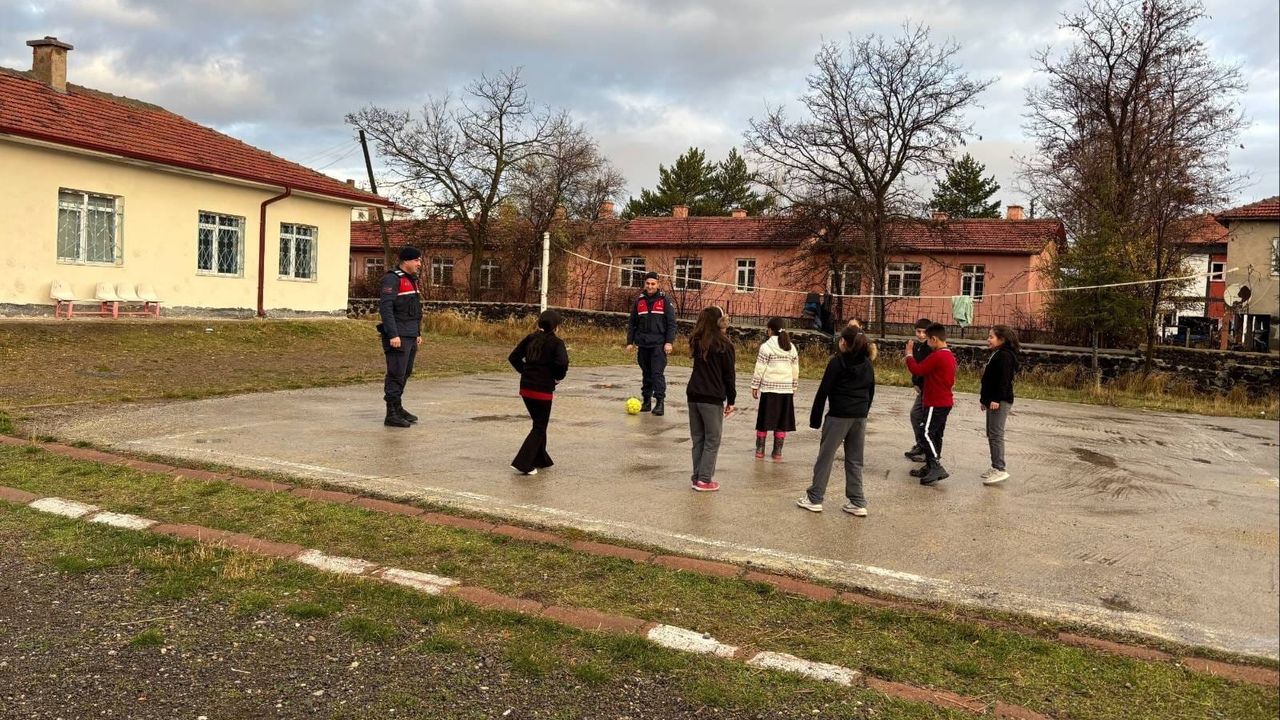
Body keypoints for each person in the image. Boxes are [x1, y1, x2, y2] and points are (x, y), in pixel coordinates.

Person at [796, 326, 876, 516]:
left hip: (838, 416)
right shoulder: (867, 364)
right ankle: (857, 501)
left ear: (844, 343)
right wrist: (864, 412)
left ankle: (815, 498)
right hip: (859, 416)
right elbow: (871, 390)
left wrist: (815, 419)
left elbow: (823, 390)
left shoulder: (837, 362)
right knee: (855, 459)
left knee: (826, 456)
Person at [508, 310, 570, 476]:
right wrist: (557, 378)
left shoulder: (530, 338)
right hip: (542, 390)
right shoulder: (556, 343)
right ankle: (523, 463)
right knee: (540, 426)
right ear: (556, 327)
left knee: (538, 422)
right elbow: (562, 363)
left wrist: (526, 371)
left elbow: (513, 357)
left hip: (526, 388)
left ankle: (541, 458)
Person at [686, 306, 736, 492]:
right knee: (712, 439)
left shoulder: (697, 341)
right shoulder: (724, 345)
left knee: (698, 438)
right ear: (720, 322)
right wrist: (731, 400)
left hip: (694, 395)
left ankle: (697, 476)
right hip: (711, 397)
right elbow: (729, 376)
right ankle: (704, 480)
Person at [377, 246, 424, 428]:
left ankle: (398, 407)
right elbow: (386, 309)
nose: (419, 264)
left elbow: (415, 310)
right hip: (398, 335)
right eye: (416, 260)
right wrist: (393, 334)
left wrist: (418, 332)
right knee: (396, 373)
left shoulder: (411, 279)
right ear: (406, 261)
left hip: (410, 334)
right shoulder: (392, 278)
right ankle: (391, 413)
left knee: (405, 372)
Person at [905, 323, 957, 486]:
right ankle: (929, 466)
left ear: (934, 339)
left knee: (925, 433)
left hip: (936, 402)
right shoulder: (948, 355)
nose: (926, 342)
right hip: (943, 401)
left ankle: (935, 465)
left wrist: (909, 355)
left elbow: (918, 370)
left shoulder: (938, 355)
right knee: (935, 434)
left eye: (928, 339)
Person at [626, 271, 676, 416]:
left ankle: (660, 403)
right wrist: (630, 342)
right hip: (643, 345)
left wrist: (669, 342)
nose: (650, 286)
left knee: (656, 374)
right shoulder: (639, 301)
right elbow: (632, 324)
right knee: (646, 374)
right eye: (647, 283)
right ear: (645, 284)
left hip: (658, 345)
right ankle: (646, 401)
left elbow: (671, 324)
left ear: (658, 284)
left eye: (653, 284)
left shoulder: (665, 301)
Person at [750, 317, 799, 461]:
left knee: (764, 420)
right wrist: (794, 386)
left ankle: (760, 450)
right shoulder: (791, 347)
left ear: (770, 330)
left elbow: (760, 367)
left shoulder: (766, 347)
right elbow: (795, 369)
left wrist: (755, 385)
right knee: (782, 421)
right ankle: (777, 452)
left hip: (769, 390)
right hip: (785, 390)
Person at [979, 325, 1021, 486]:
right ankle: (994, 466)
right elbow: (989, 380)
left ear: (1002, 339)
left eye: (991, 337)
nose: (988, 339)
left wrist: (996, 399)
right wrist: (985, 400)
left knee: (996, 434)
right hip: (992, 400)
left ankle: (1000, 468)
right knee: (991, 433)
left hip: (1000, 401)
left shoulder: (1005, 356)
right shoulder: (997, 353)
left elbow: (1004, 380)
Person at [903, 318, 933, 461]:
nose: (921, 335)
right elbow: (915, 367)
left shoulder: (931, 348)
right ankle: (920, 444)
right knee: (915, 415)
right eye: (918, 331)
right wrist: (915, 382)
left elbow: (923, 369)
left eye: (924, 332)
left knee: (924, 419)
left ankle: (926, 449)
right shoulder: (917, 347)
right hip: (922, 389)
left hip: (930, 389)